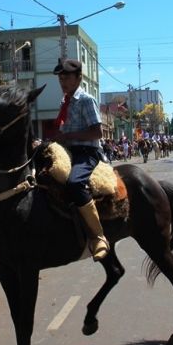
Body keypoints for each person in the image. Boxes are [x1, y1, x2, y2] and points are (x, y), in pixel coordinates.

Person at [52, 58, 108, 261]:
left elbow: (97, 132)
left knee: (75, 183)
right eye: (60, 78)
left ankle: (98, 236)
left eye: (66, 77)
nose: (62, 82)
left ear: (78, 78)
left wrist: (67, 136)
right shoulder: (65, 101)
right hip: (68, 150)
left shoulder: (86, 99)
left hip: (87, 152)